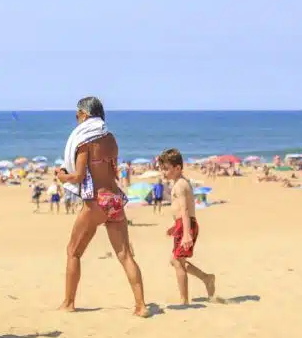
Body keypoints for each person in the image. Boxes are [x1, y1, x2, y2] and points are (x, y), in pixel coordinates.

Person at [55, 96, 147, 317]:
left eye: (77, 115)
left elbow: (78, 176)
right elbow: (112, 170)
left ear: (85, 115)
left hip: (97, 200)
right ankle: (141, 305)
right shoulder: (111, 139)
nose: (76, 119)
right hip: (115, 198)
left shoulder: (86, 141)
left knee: (73, 252)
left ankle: (69, 303)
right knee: (125, 254)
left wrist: (62, 176)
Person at [157, 148, 220, 305]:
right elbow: (180, 209)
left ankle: (184, 300)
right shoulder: (178, 183)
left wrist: (186, 233)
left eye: (166, 168)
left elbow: (185, 209)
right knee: (177, 261)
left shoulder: (180, 185)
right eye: (162, 169)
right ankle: (206, 278)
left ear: (177, 168)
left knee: (177, 261)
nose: (163, 172)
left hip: (187, 225)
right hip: (182, 224)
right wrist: (174, 225)